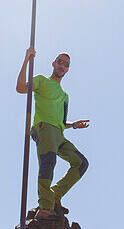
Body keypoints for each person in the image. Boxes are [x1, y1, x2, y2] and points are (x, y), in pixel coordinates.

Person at [16, 48, 90, 219]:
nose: (62, 65)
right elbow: (20, 88)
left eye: (66, 64)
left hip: (59, 133)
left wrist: (74, 125)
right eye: (60, 62)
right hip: (44, 129)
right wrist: (27, 58)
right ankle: (46, 207)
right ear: (53, 64)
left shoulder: (65, 96)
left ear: (68, 69)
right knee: (48, 162)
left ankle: (55, 195)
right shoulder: (42, 81)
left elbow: (62, 122)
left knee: (81, 163)